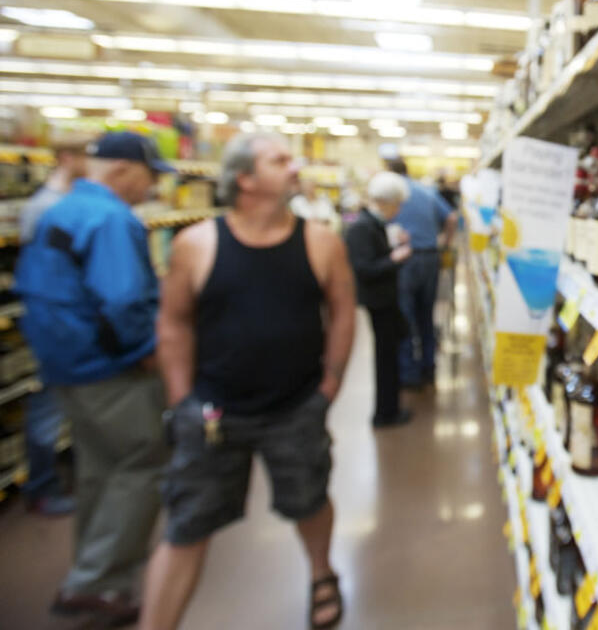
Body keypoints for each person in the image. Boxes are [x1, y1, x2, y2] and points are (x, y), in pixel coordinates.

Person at [140, 132, 356, 630]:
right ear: (245, 178)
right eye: (279, 159)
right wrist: (182, 400)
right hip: (215, 412)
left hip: (297, 405)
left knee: (309, 498)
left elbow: (343, 312)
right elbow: (174, 323)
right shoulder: (198, 244)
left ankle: (322, 574)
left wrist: (328, 389)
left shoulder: (319, 241)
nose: (295, 164)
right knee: (187, 523)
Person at [14, 131, 174, 626]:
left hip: (67, 366)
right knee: (142, 464)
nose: (152, 189)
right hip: (111, 369)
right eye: (149, 176)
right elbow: (123, 299)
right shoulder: (110, 218)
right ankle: (101, 586)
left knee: (99, 470)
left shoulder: (59, 210)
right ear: (125, 169)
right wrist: (146, 350)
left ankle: (86, 573)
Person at [17, 141, 88, 518]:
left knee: (67, 406)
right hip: (52, 324)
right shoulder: (44, 208)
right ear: (67, 157)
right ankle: (41, 488)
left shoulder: (73, 203)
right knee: (47, 408)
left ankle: (66, 479)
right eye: (84, 155)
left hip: (69, 323)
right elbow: (42, 273)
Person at [343, 171, 412, 428]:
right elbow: (363, 269)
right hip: (378, 300)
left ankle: (390, 406)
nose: (399, 210)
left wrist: (394, 249)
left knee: (391, 352)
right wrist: (394, 259)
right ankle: (385, 413)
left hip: (385, 298)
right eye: (397, 204)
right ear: (386, 201)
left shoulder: (374, 225)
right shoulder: (361, 228)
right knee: (385, 357)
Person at [384, 158, 456, 389]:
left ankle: (409, 373)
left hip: (405, 259)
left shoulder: (392, 195)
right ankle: (429, 365)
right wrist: (445, 242)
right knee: (427, 314)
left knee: (405, 317)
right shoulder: (427, 192)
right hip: (430, 257)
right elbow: (452, 217)